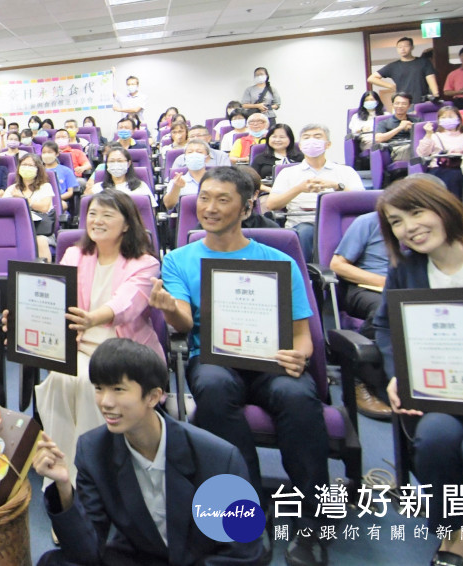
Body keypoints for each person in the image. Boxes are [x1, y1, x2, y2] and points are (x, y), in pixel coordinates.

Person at [149, 166, 330, 566]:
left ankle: (311, 520)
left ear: (247, 207)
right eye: (205, 198)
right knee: (212, 386)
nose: (209, 208)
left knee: (296, 394)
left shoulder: (278, 260)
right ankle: (246, 506)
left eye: (222, 199)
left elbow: (302, 332)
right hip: (214, 357)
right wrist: (167, 310)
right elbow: (182, 321)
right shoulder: (179, 260)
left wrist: (299, 353)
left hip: (271, 359)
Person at [33, 339, 265, 566]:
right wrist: (64, 487)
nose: (105, 402)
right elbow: (86, 553)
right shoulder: (93, 450)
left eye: (118, 389)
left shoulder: (218, 458)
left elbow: (242, 553)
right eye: (99, 389)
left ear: (153, 396)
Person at [377, 177, 463, 566]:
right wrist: (398, 373)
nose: (408, 227)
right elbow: (383, 328)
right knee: (434, 439)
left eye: (416, 212)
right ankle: (453, 534)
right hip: (441, 395)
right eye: (396, 221)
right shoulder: (405, 271)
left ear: (444, 209)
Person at [27, 191, 162, 488]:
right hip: (77, 343)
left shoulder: (145, 262)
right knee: (60, 381)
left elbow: (127, 304)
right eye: (92, 214)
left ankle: (95, 483)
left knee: (90, 382)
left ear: (127, 224)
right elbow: (54, 294)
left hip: (123, 347)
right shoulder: (76, 254)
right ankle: (63, 483)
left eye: (107, 215)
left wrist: (92, 318)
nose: (97, 221)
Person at [327, 206, 391, 418]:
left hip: (410, 288)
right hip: (365, 287)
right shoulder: (368, 221)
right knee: (386, 305)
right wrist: (386, 282)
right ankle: (357, 376)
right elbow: (338, 265)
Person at [268, 123, 366, 261]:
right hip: (302, 223)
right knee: (307, 232)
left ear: (328, 144)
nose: (311, 141)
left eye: (317, 137)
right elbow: (272, 205)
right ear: (300, 146)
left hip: (338, 223)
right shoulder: (287, 173)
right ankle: (306, 275)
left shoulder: (345, 171)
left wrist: (338, 186)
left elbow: (362, 201)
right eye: (306, 138)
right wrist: (299, 189)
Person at [194, 166, 281, 231]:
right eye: (204, 198)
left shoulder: (270, 230)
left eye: (223, 200)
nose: (211, 209)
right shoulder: (201, 230)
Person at [6, 152, 55, 259]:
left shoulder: (45, 187)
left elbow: (44, 207)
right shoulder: (12, 189)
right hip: (17, 229)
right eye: (24, 165)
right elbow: (3, 209)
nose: (26, 168)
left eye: (30, 165)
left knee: (40, 240)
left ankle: (45, 274)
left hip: (41, 231)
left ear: (38, 169)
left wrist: (23, 200)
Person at [368, 36, 440, 104]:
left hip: (422, 101)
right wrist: (390, 86)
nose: (402, 49)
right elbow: (371, 78)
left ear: (412, 47)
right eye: (399, 47)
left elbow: (431, 78)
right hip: (403, 103)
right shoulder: (393, 66)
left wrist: (436, 95)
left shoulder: (423, 62)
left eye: (406, 46)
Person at [416, 106, 463, 198]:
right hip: (439, 168)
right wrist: (428, 134)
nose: (447, 120)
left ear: (458, 119)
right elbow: (422, 154)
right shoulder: (435, 136)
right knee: (454, 177)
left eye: (451, 117)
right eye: (443, 118)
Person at [89, 146, 153, 206]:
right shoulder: (97, 188)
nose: (116, 164)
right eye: (111, 161)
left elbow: (149, 213)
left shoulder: (141, 186)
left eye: (120, 161)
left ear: (128, 163)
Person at [162, 139, 212, 210]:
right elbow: (168, 205)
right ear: (185, 157)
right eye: (190, 152)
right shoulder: (177, 181)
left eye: (199, 152)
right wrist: (176, 187)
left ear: (207, 158)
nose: (194, 155)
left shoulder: (216, 180)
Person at [375, 91, 420, 162]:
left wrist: (413, 129)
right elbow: (378, 139)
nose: (400, 106)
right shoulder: (384, 122)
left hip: (415, 146)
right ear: (392, 105)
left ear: (409, 106)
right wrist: (400, 128)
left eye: (404, 104)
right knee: (413, 149)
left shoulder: (417, 121)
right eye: (397, 103)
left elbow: (422, 138)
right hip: (397, 150)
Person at [41, 141, 81, 211]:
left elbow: (70, 192)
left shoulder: (66, 170)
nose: (46, 155)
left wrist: (55, 199)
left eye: (50, 152)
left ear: (57, 154)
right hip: (40, 200)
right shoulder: (38, 170)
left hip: (60, 200)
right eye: (44, 153)